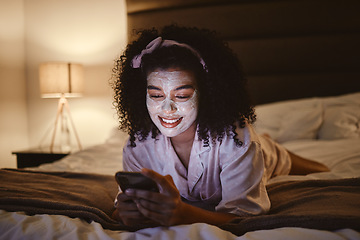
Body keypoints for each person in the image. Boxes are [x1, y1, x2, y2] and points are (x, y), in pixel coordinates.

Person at [111, 25, 329, 228]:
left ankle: (269, 144)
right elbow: (122, 208)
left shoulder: (237, 140)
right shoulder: (137, 145)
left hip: (267, 157)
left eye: (182, 95)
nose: (167, 108)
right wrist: (125, 213)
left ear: (207, 93)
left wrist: (183, 214)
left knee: (323, 171)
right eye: (156, 95)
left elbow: (245, 216)